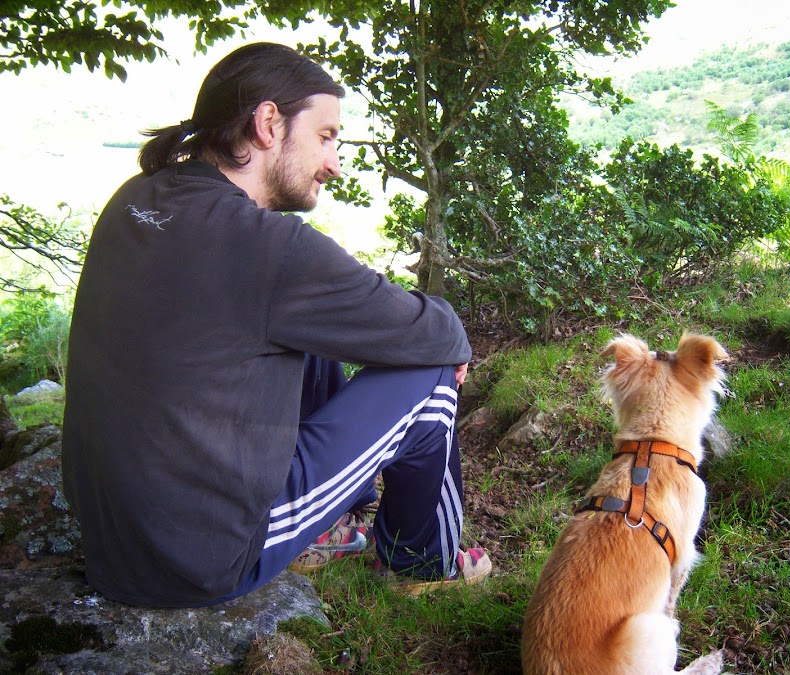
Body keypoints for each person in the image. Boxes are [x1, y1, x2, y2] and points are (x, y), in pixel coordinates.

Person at [61, 42, 491, 608]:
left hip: (112, 541)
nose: (333, 163)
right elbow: (434, 333)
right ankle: (424, 561)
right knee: (432, 378)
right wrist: (448, 343)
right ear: (268, 123)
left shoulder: (138, 197)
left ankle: (326, 526)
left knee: (311, 332)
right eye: (327, 136)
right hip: (201, 559)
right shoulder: (270, 248)